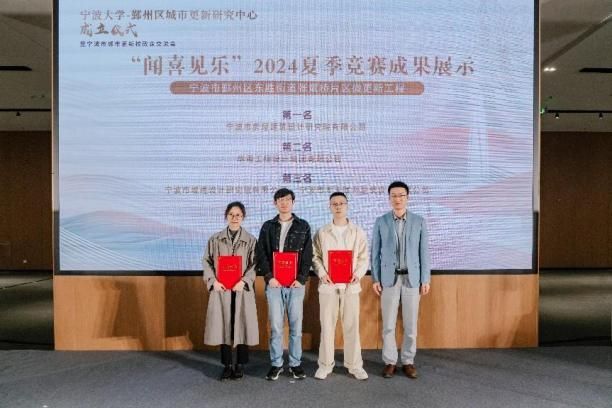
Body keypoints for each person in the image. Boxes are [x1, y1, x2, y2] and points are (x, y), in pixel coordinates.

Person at [371, 181, 431, 379]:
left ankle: (408, 361)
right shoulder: (381, 221)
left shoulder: (419, 221)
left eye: (401, 195)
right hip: (389, 279)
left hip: (412, 279)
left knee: (410, 325)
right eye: (394, 196)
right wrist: (375, 278)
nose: (397, 199)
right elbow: (375, 253)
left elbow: (424, 252)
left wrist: (425, 279)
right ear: (389, 198)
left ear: (407, 197)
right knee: (388, 324)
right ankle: (390, 361)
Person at [256, 188, 313, 381]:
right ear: (275, 203)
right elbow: (261, 253)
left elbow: (307, 254)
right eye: (280, 199)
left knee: (296, 326)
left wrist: (301, 278)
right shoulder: (268, 226)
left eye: (288, 199)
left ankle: (295, 364)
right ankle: (276, 364)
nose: (284, 203)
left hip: (296, 284)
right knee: (276, 326)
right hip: (274, 284)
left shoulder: (303, 226)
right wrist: (269, 276)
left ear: (293, 202)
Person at [312, 192, 369, 380]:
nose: (338, 206)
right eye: (334, 204)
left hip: (351, 287)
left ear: (347, 205)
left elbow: (363, 258)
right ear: (329, 207)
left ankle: (355, 366)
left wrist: (357, 274)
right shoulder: (322, 232)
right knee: (327, 327)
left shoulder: (358, 231)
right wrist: (322, 273)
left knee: (352, 327)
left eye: (341, 203)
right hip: (328, 287)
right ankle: (325, 365)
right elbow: (315, 256)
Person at [203, 201, 259, 381]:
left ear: (243, 217)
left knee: (242, 324)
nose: (235, 218)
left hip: (241, 290)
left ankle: (240, 364)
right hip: (222, 289)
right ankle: (227, 365)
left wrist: (244, 281)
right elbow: (207, 262)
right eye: (231, 215)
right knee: (224, 325)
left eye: (238, 215)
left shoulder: (251, 240)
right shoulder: (215, 239)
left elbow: (255, 264)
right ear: (226, 216)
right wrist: (213, 281)